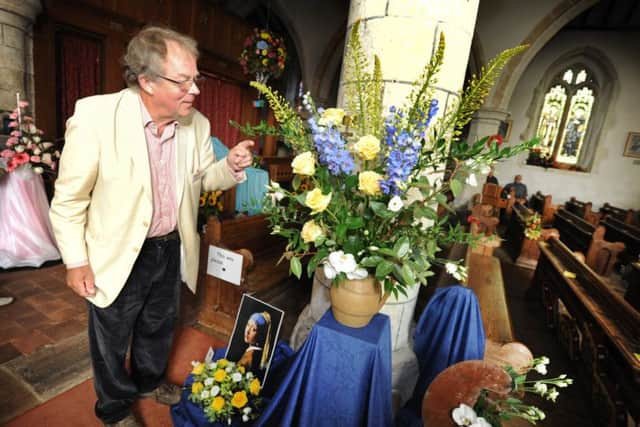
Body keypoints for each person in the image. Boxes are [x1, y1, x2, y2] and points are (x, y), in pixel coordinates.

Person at [49, 26, 254, 427]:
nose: (195, 89)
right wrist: (76, 261)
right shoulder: (96, 116)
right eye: (183, 81)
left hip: (171, 244)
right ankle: (114, 408)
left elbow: (200, 180)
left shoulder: (196, 124)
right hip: (117, 249)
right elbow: (69, 202)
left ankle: (148, 381)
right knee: (110, 338)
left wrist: (228, 167)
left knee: (159, 327)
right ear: (145, 80)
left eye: (196, 78)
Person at [237, 311, 272, 378]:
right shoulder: (253, 353)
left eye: (254, 329)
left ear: (260, 335)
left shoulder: (250, 356)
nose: (247, 331)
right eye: (248, 325)